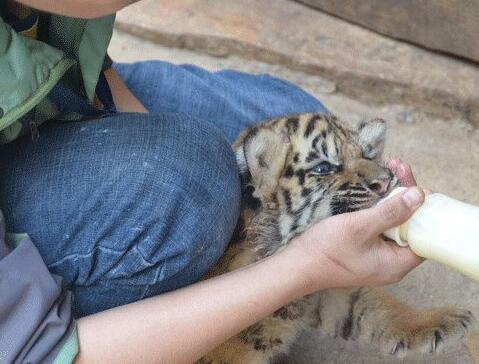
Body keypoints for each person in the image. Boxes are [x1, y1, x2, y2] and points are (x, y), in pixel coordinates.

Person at [0, 1, 426, 363]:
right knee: (186, 190)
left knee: (295, 123)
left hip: (35, 103)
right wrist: (302, 269)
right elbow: (36, 353)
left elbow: (87, 68)